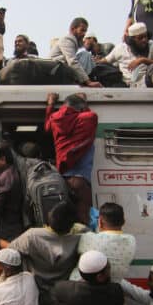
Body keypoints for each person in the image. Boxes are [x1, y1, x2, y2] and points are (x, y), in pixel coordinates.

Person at [45, 92, 99, 225]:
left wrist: (51, 104)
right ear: (81, 108)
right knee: (84, 220)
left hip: (63, 180)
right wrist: (84, 104)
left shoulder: (54, 119)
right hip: (80, 179)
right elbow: (89, 116)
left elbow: (46, 127)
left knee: (65, 222)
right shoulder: (89, 117)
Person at [71, 202, 136, 282]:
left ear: (100, 222)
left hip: (81, 284)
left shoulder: (87, 237)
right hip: (113, 285)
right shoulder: (131, 240)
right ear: (124, 221)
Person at [102, 21, 153, 93]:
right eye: (140, 38)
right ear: (132, 40)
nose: (144, 40)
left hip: (148, 82)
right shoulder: (120, 48)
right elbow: (105, 61)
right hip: (126, 86)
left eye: (145, 36)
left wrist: (143, 60)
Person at [0, 141, 24, 248]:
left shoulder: (3, 180)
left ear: (3, 160)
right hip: (17, 226)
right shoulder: (14, 172)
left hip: (8, 231)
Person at [49, 17, 104, 87]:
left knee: (89, 58)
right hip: (57, 70)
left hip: (62, 68)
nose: (84, 34)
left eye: (85, 31)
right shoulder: (67, 40)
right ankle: (84, 81)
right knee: (85, 55)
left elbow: (84, 46)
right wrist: (88, 82)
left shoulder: (74, 41)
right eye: (82, 30)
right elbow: (72, 62)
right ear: (73, 29)